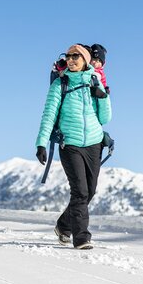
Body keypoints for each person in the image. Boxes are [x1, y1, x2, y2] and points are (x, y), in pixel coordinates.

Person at [35, 44, 111, 250]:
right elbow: (49, 114)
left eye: (76, 56)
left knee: (90, 191)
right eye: (68, 56)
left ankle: (63, 225)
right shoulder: (60, 84)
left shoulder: (94, 81)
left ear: (86, 59)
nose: (71, 59)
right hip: (70, 144)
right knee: (80, 192)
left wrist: (103, 96)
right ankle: (81, 237)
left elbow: (106, 117)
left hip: (94, 143)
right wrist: (41, 142)